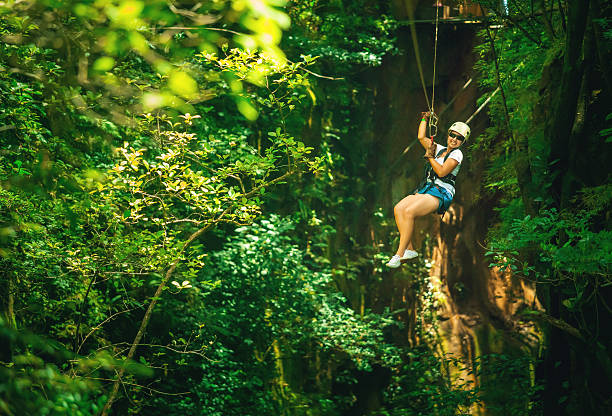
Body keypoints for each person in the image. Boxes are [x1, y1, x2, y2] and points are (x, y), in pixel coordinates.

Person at [386, 112, 470, 268]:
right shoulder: (438, 148)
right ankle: (409, 249)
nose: (454, 139)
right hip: (428, 187)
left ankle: (399, 254)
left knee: (409, 212)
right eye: (453, 135)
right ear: (449, 134)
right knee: (399, 209)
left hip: (442, 191)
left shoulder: (458, 154)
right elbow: (421, 137)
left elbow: (442, 172)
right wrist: (425, 118)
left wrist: (430, 158)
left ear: (462, 142)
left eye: (459, 138)